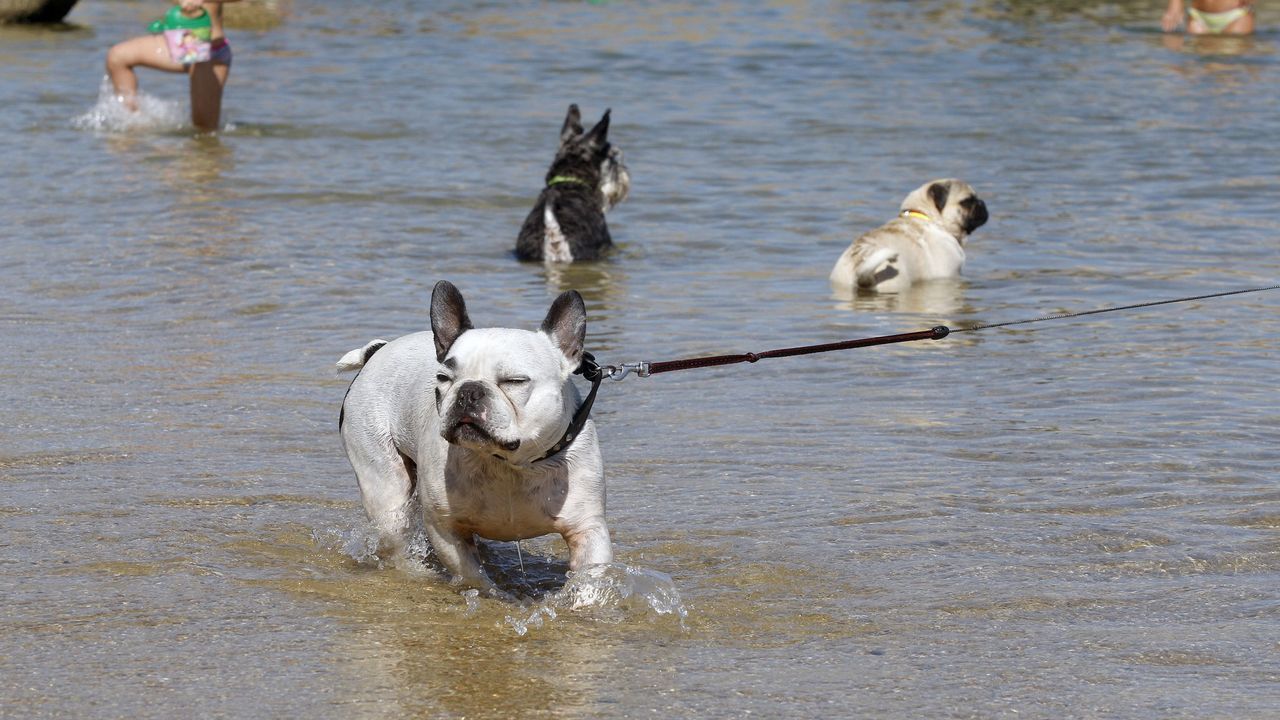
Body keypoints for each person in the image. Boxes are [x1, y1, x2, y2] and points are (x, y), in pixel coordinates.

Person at [105, 1, 244, 131]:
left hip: (209, 54)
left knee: (204, 131)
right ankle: (133, 123)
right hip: (176, 45)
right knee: (118, 56)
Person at [1162, 0, 1256, 35]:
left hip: (1236, 16)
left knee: (1233, 68)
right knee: (1198, 68)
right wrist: (1175, 3)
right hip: (1198, 16)